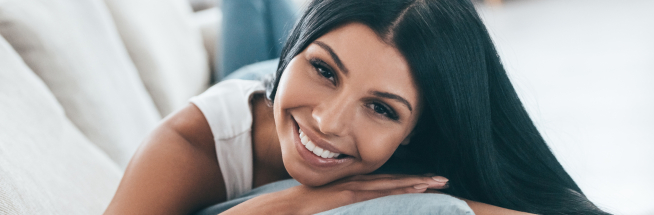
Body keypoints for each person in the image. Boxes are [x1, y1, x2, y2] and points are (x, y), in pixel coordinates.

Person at [105, 0, 609, 214]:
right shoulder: (189, 143)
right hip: (265, 91)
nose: (330, 121)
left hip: (288, 88)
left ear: (416, 130)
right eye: (324, 69)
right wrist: (288, 204)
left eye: (382, 109)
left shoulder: (427, 153)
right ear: (299, 51)